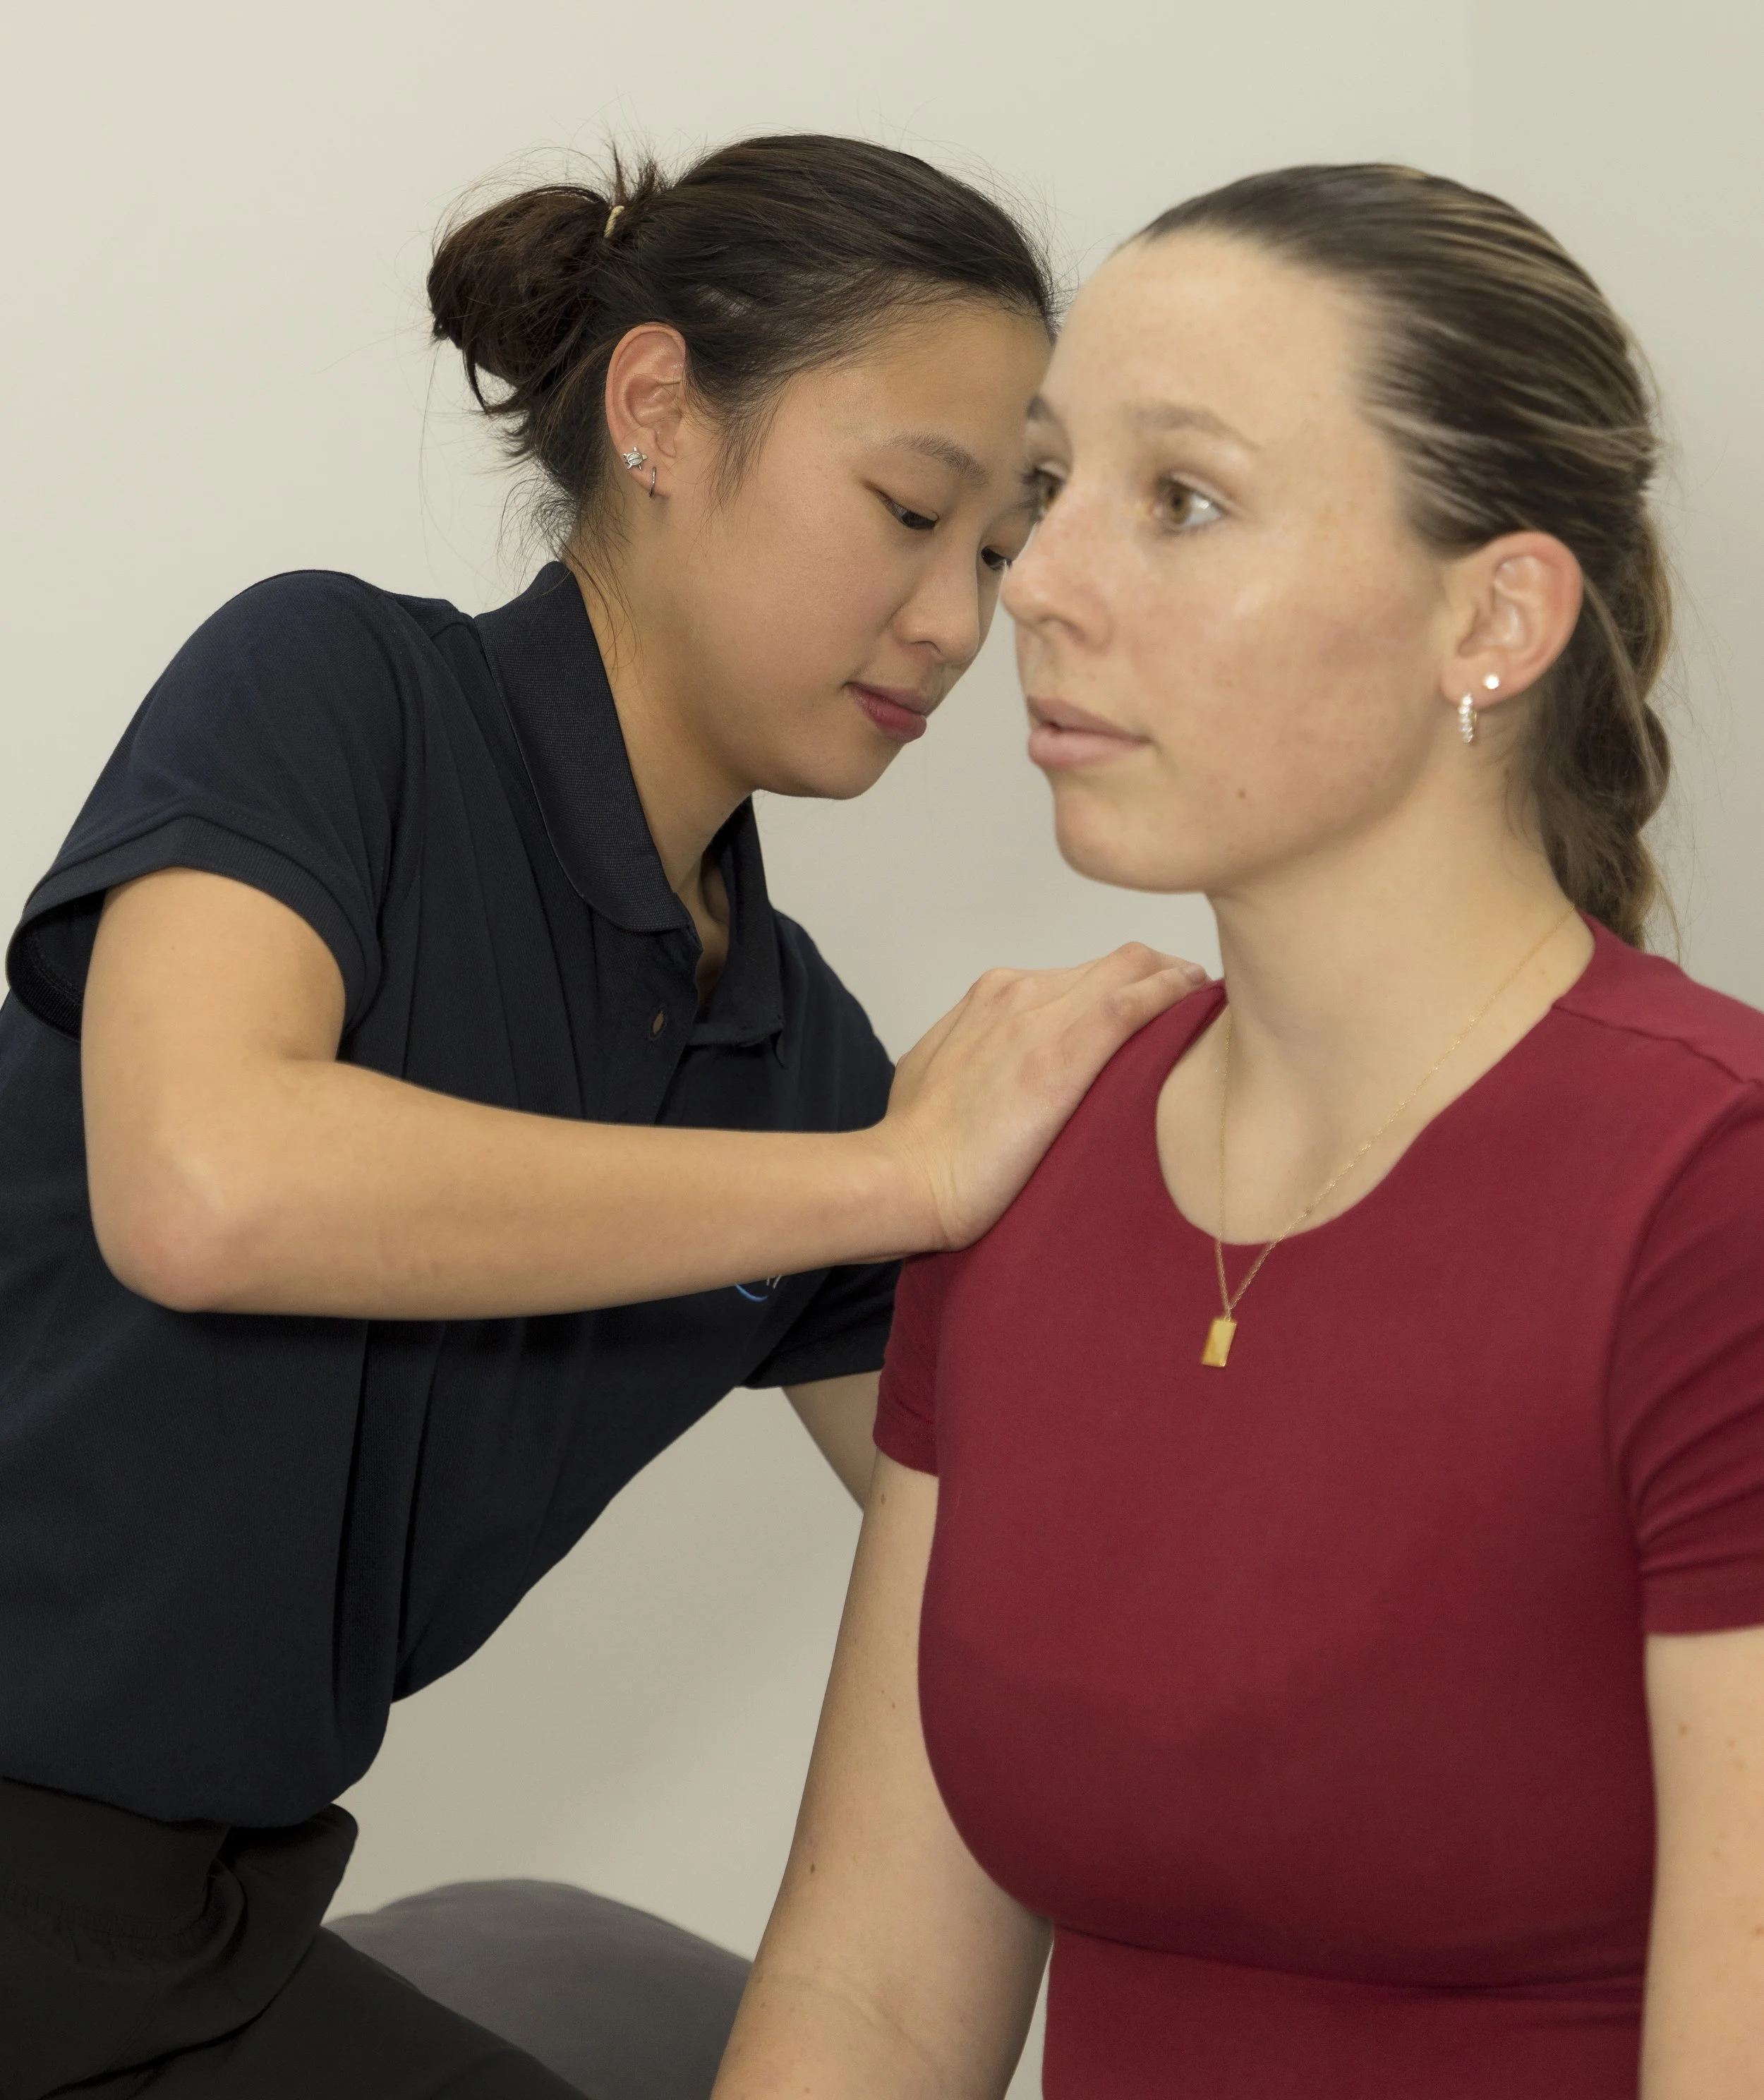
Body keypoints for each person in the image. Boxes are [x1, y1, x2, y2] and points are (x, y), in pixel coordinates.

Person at [0, 135, 1201, 2099]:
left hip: (187, 1937)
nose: (954, 623)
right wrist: (890, 1174)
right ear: (657, 411)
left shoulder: (782, 1049)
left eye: (995, 551)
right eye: (908, 508)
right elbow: (203, 1183)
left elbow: (1020, 1560)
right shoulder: (333, 692)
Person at [713, 164, 1764, 2100]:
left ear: (1494, 618)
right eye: (1047, 494)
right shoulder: (1011, 1150)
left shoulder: (1714, 1201)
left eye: (1179, 502)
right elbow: (868, 2001)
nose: (1030, 582)